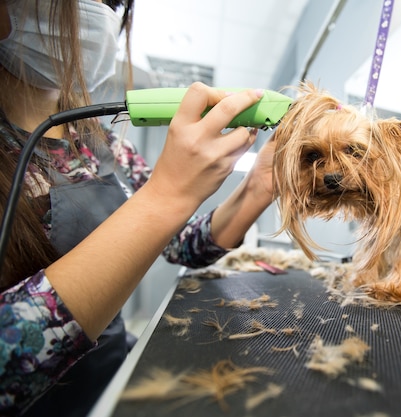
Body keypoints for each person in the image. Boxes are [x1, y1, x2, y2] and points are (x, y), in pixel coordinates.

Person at [0, 0, 277, 415]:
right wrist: (165, 197)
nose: (100, 12)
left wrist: (259, 187)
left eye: (113, 3)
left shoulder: (103, 143)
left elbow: (181, 245)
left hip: (110, 385)